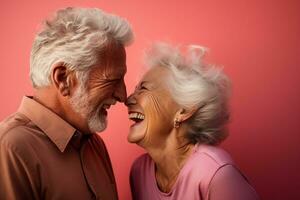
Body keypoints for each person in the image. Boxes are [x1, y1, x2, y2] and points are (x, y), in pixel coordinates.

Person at [0, 7, 133, 200]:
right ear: (63, 78)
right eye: (112, 80)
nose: (123, 96)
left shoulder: (94, 144)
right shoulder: (10, 149)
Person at [126, 43, 259, 200]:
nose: (128, 100)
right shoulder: (139, 172)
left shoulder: (216, 175)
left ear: (183, 110)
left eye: (143, 89)